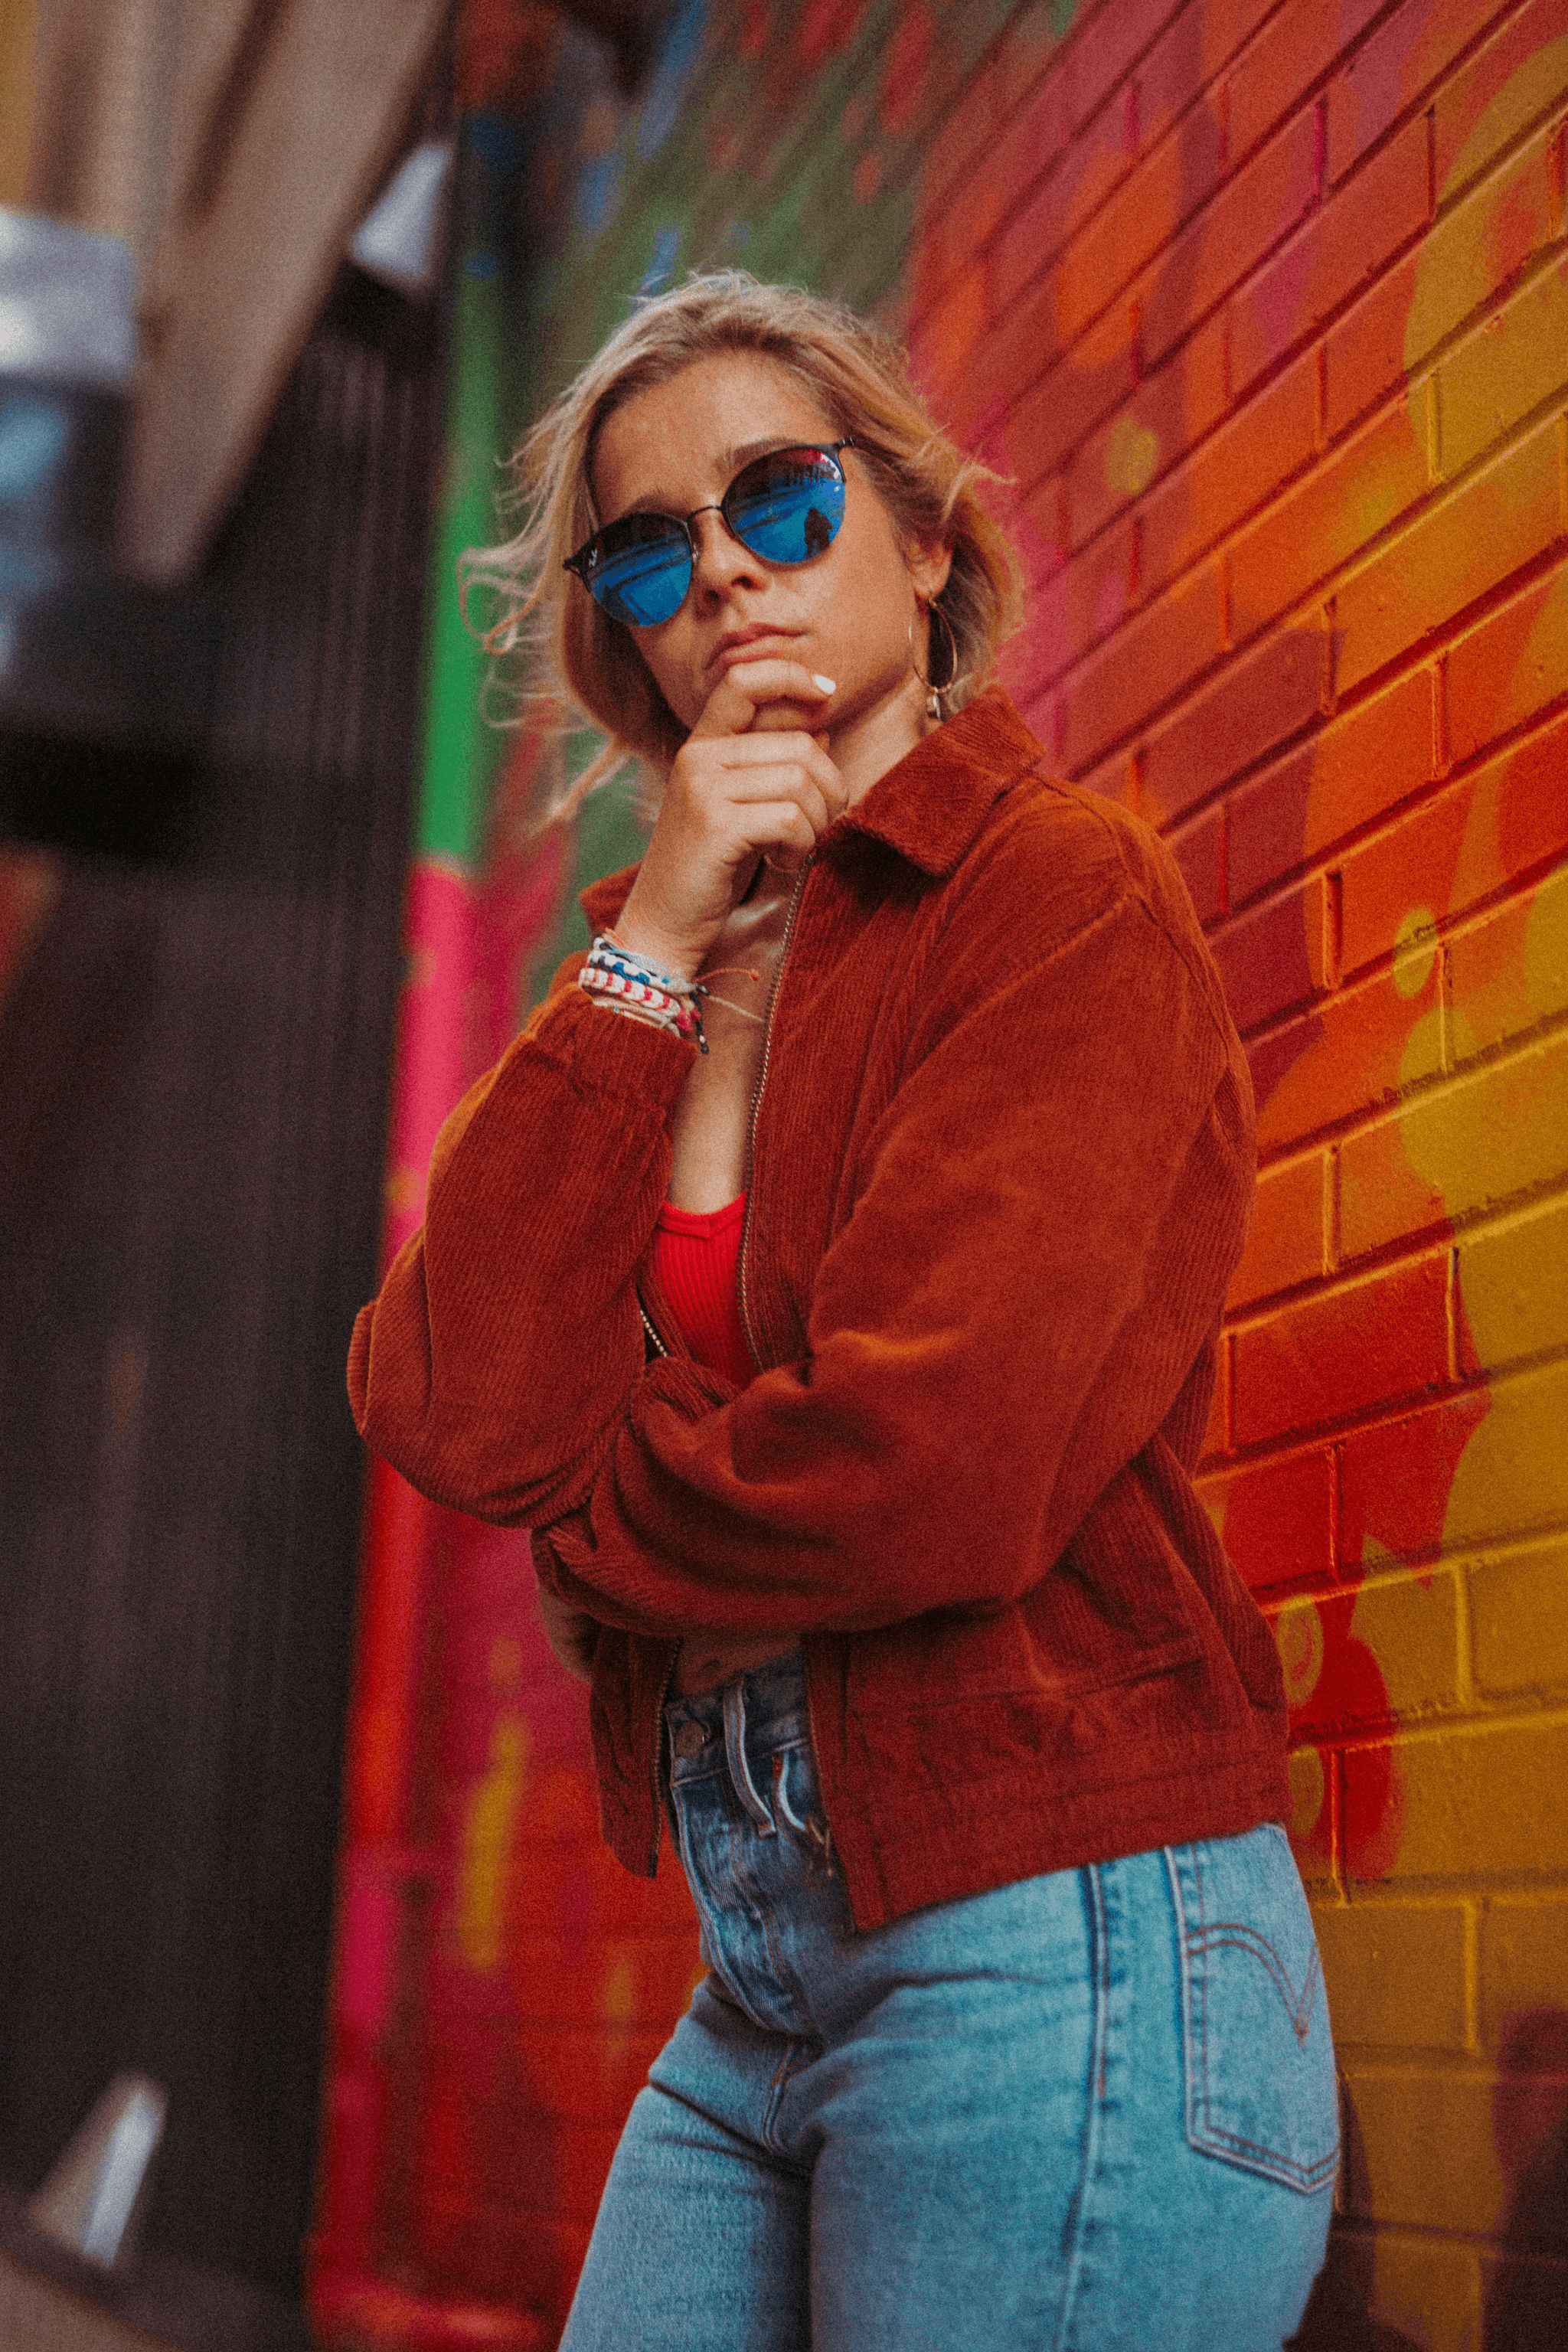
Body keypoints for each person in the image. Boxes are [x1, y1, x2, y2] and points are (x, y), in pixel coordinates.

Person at [349, 274, 1338, 2350]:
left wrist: (591, 1541)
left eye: (777, 501)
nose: (716, 567)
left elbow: (931, 1468)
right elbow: (447, 1402)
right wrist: (672, 928)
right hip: (763, 1973)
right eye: (647, 547)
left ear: (918, 533)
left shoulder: (1058, 896)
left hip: (1056, 1940)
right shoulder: (654, 970)